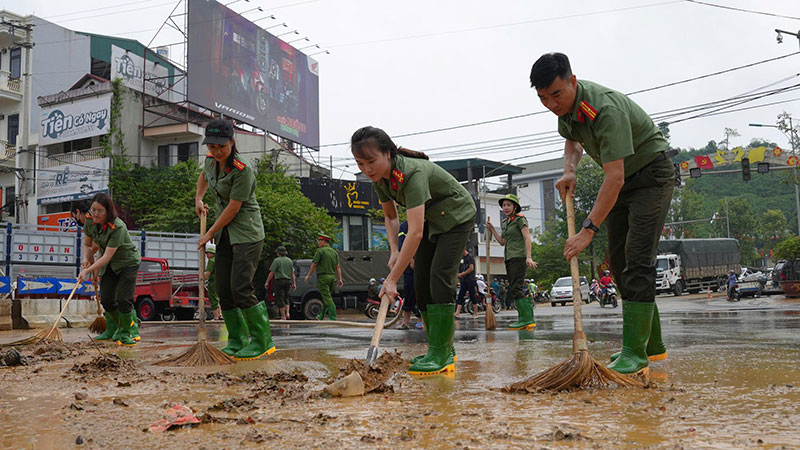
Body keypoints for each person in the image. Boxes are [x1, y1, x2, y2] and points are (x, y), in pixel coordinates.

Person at [531, 52, 673, 375]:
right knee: (620, 264)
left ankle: (635, 353)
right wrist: (570, 170)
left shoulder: (604, 109)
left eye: (556, 94)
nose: (551, 104)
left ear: (573, 81)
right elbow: (572, 140)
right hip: (624, 183)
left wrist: (588, 229)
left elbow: (615, 177)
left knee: (637, 258)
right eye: (543, 98)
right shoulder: (566, 112)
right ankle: (653, 346)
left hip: (650, 176)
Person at [351, 126, 476, 376]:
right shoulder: (381, 179)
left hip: (456, 216)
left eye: (371, 161)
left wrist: (392, 279)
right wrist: (394, 250)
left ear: (388, 153)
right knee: (420, 283)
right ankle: (439, 349)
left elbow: (416, 232)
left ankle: (442, 353)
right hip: (431, 219)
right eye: (360, 163)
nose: (367, 169)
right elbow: (390, 216)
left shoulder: (411, 172)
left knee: (439, 276)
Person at [195, 118, 274, 360]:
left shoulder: (243, 170)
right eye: (212, 147)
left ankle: (262, 341)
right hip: (225, 234)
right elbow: (204, 177)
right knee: (223, 288)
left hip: (247, 233)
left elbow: (233, 208)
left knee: (241, 285)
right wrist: (198, 199)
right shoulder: (211, 161)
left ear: (232, 142)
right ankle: (238, 340)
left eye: (221, 146)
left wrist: (209, 233)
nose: (216, 151)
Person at [77, 193, 141, 346]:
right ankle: (112, 329)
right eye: (93, 210)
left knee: (123, 299)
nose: (96, 214)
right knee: (106, 298)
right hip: (110, 264)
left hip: (127, 262)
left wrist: (86, 271)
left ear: (108, 212)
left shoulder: (117, 227)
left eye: (100, 211)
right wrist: (85, 259)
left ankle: (126, 333)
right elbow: (87, 244)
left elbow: (106, 256)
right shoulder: (89, 221)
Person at [487, 193, 538, 330]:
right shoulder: (505, 223)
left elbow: (527, 238)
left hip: (519, 257)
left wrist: (529, 257)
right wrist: (492, 229)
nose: (506, 207)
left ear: (515, 207)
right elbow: (502, 242)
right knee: (514, 287)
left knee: (516, 287)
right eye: (504, 205)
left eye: (508, 205)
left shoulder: (520, 219)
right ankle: (524, 319)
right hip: (508, 257)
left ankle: (527, 319)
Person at [304, 233, 342, 320]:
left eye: (319, 240)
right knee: (327, 297)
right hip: (332, 277)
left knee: (327, 297)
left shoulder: (320, 251)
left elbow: (314, 264)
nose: (318, 242)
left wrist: (308, 275)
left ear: (324, 241)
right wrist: (340, 279)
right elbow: (338, 267)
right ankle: (321, 316)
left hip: (323, 277)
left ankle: (333, 317)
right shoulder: (334, 252)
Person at [398, 220, 418, 330]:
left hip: (423, 263)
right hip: (409, 266)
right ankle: (406, 321)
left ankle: (422, 320)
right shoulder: (405, 226)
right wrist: (410, 259)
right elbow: (402, 245)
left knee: (422, 293)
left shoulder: (426, 222)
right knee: (409, 291)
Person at [267, 246, 295, 320]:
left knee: (280, 298)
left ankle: (283, 316)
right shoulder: (290, 261)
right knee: (286, 297)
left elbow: (272, 272)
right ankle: (287, 313)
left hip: (279, 281)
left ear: (278, 253)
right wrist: (294, 283)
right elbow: (292, 273)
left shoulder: (277, 261)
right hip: (288, 281)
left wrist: (267, 282)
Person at [455, 248, 479, 318]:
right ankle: (457, 313)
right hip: (464, 280)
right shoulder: (463, 259)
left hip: (470, 279)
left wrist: (462, 274)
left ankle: (476, 313)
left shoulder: (470, 257)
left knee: (472, 295)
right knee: (460, 295)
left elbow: (471, 268)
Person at [204, 243, 221, 320]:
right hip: (219, 281)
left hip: (213, 282)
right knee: (218, 299)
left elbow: (208, 272)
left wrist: (202, 279)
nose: (207, 255)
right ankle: (220, 315)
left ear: (212, 253)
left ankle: (216, 316)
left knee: (213, 299)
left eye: (208, 253)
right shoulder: (218, 260)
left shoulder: (211, 261)